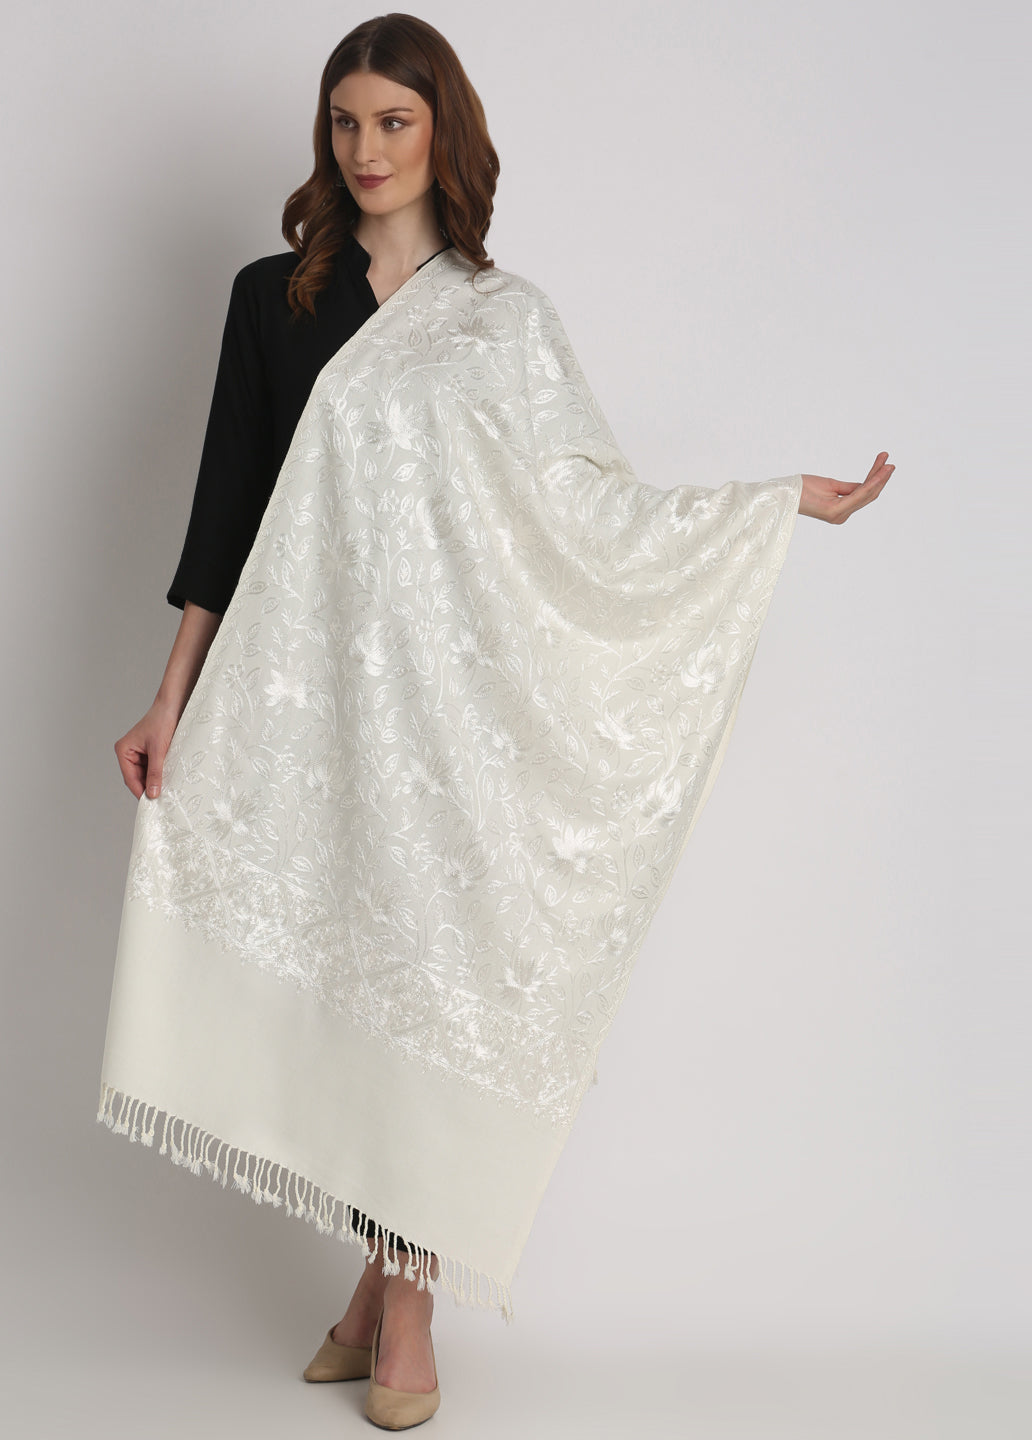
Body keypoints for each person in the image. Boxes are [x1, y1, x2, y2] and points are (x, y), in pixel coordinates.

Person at [108, 13, 892, 1431]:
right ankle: (377, 1287)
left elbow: (587, 510)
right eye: (345, 123)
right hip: (313, 711)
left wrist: (771, 503)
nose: (366, 150)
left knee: (430, 982)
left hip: (455, 727)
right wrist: (170, 700)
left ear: (443, 133)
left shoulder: (504, 319)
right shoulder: (272, 297)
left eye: (394, 122)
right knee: (352, 988)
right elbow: (228, 507)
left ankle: (404, 1296)